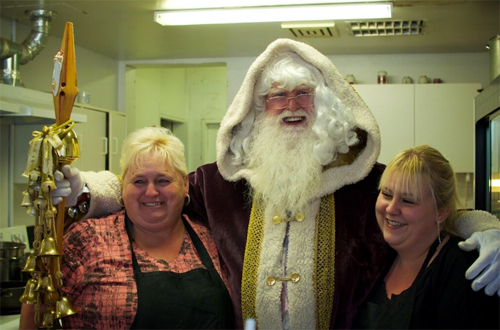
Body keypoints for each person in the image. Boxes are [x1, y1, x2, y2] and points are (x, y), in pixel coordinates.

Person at [51, 39, 500, 329]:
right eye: (275, 96)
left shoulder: (367, 184)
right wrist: (84, 189)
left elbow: (439, 212)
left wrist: (488, 229)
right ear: (256, 108)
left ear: (325, 104)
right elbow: (154, 192)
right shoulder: (220, 183)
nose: (290, 105)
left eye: (302, 93)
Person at [20, 127, 234, 329]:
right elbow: (38, 306)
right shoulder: (87, 239)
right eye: (139, 181)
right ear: (122, 187)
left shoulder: (211, 238)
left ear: (185, 184)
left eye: (163, 180)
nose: (151, 192)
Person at [354, 145, 499, 329]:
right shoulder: (379, 256)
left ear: (441, 212)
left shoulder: (459, 267)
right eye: (386, 194)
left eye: (408, 200)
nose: (391, 208)